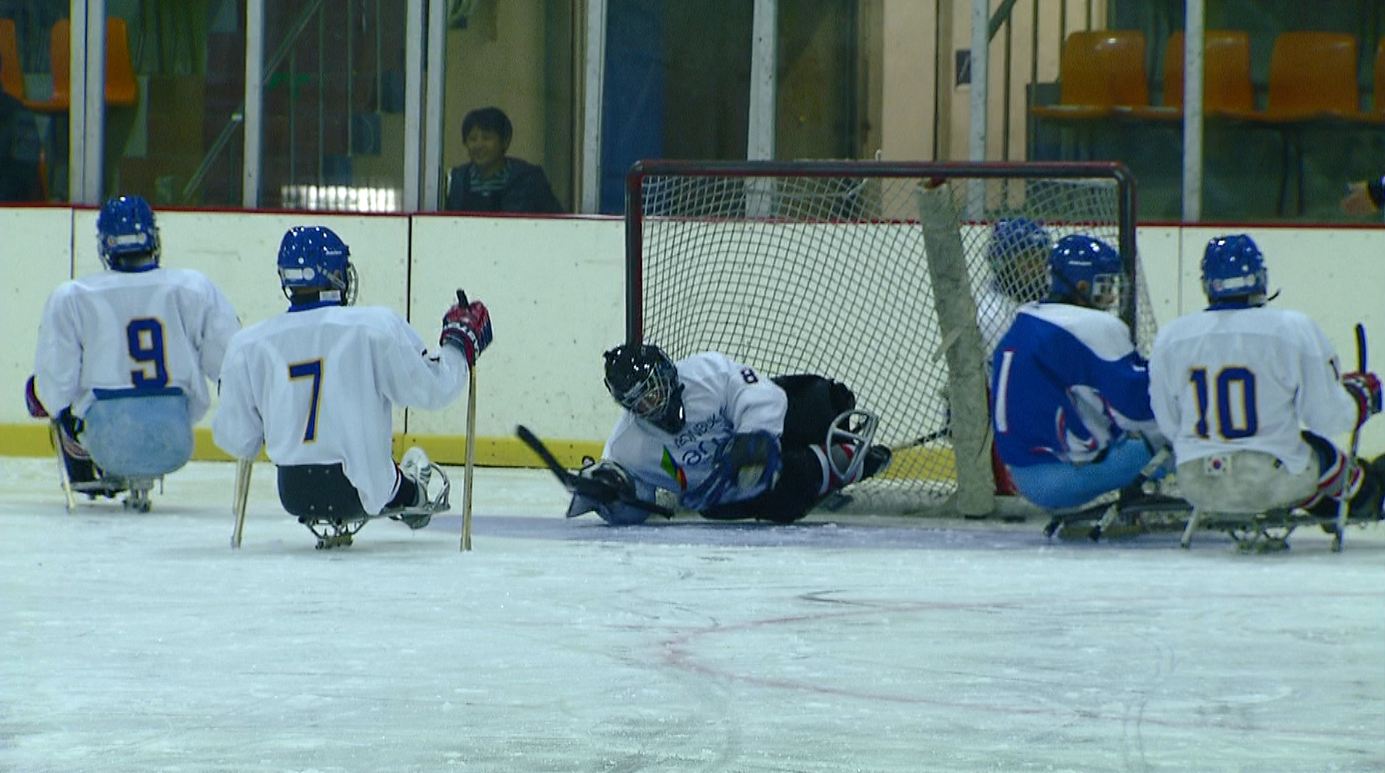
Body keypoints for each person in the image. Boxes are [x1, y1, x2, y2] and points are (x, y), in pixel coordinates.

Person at [211, 225, 493, 546]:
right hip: (363, 491)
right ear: (335, 273)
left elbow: (238, 439)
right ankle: (413, 486)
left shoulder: (248, 344)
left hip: (293, 492)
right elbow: (433, 390)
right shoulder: (373, 326)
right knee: (407, 484)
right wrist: (458, 344)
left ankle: (407, 481)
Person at [1148, 234, 1385, 522]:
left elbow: (1168, 423)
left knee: (1296, 452)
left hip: (1196, 482)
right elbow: (1327, 417)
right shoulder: (1293, 328)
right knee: (1317, 453)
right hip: (1271, 480)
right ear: (1260, 277)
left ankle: (1337, 503)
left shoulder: (1171, 337)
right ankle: (1366, 498)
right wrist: (1360, 397)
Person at [26, 194, 240, 508]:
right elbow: (230, 366)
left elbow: (54, 387)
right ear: (153, 238)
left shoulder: (71, 296)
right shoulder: (194, 287)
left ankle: (92, 475)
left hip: (107, 441)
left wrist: (49, 403)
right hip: (175, 439)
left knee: (46, 393)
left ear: (105, 244)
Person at [565, 345, 894, 525]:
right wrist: (609, 498)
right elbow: (637, 504)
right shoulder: (627, 446)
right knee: (779, 489)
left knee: (820, 398)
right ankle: (842, 465)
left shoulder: (706, 372)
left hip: (761, 435)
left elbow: (762, 396)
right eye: (636, 402)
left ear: (667, 372)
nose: (649, 405)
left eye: (651, 391)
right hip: (727, 491)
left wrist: (752, 437)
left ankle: (833, 456)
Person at [989, 233, 1165, 511]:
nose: (1111, 294)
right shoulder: (1094, 325)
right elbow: (1137, 407)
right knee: (1175, 431)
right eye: (1104, 283)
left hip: (1022, 474)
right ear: (1081, 284)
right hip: (1061, 475)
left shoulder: (1027, 316)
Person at [443, 106, 562, 214]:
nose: (479, 145)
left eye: (487, 138)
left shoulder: (530, 179)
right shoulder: (457, 181)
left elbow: (556, 221)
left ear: (505, 141)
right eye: (473, 139)